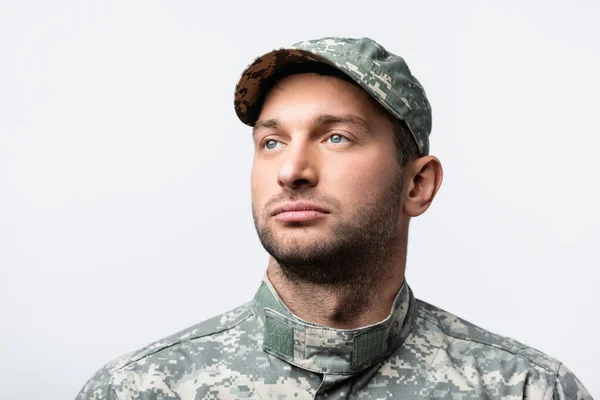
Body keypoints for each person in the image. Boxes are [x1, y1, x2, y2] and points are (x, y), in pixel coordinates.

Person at [76, 36, 592, 400]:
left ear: (417, 184)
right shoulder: (139, 390)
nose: (292, 171)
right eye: (272, 142)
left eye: (335, 137)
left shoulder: (525, 389)